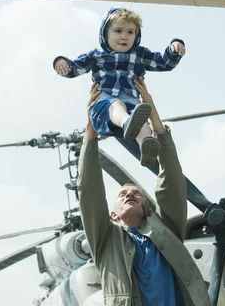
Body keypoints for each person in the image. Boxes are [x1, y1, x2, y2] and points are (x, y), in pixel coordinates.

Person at [78, 78, 210, 306]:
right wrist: (90, 129)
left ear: (148, 208)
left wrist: (154, 119)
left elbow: (171, 179)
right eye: (122, 195)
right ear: (113, 215)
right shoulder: (105, 240)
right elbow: (89, 191)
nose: (129, 194)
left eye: (136, 194)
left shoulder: (165, 227)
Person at [53, 7, 186, 166]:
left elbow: (164, 63)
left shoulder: (139, 54)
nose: (124, 37)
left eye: (130, 32)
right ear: (105, 34)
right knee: (117, 104)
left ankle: (146, 148)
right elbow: (75, 68)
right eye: (118, 31)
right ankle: (126, 121)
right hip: (103, 108)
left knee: (142, 121)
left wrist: (174, 48)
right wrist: (62, 63)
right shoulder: (96, 55)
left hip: (132, 105)